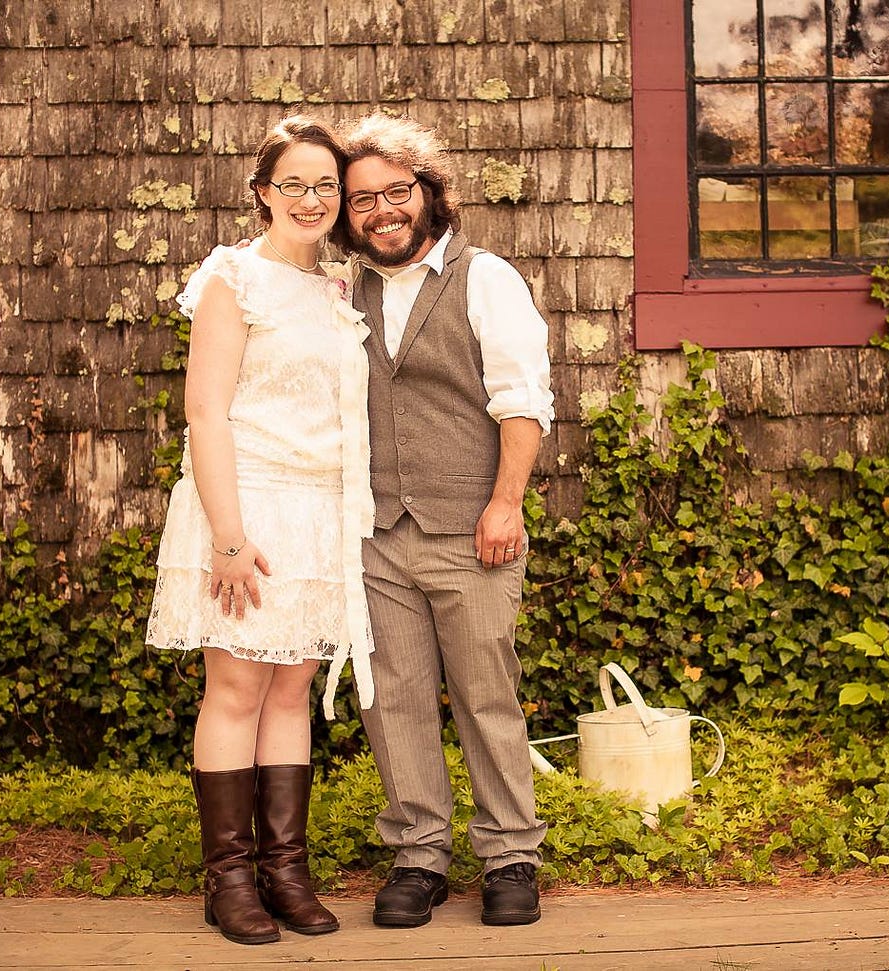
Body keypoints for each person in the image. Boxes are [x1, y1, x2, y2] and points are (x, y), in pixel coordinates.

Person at [145, 115, 375, 946]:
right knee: (235, 691)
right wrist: (229, 536)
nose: (312, 200)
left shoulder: (345, 286)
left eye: (325, 186)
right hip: (247, 503)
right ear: (262, 194)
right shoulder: (232, 278)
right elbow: (205, 413)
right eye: (294, 185)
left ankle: (286, 870)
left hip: (321, 513)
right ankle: (230, 878)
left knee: (292, 693)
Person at [328, 114, 554, 928]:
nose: (382, 210)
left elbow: (523, 399)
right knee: (393, 697)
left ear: (428, 193)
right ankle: (420, 852)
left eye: (397, 191)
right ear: (347, 214)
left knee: (487, 691)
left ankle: (509, 852)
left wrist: (506, 501)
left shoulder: (485, 277)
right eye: (363, 200)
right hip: (376, 528)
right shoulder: (340, 291)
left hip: (471, 524)